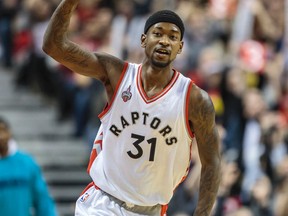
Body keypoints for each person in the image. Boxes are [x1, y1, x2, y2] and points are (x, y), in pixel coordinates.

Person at [42, 0, 221, 215]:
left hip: (150, 209)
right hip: (102, 204)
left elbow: (211, 163)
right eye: (158, 34)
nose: (165, 41)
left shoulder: (195, 100)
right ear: (143, 40)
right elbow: (53, 46)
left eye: (172, 37)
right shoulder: (117, 74)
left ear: (180, 47)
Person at [0, 117, 57, 216]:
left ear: (10, 133)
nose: (1, 136)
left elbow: (42, 199)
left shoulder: (27, 163)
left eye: (3, 130)